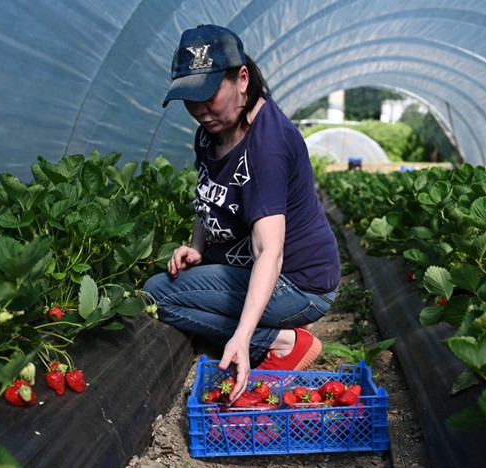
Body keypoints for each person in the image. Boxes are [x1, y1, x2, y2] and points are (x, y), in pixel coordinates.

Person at [145, 24, 340, 401]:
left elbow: (271, 251)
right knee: (168, 291)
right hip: (249, 269)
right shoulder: (211, 131)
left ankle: (282, 342)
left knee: (159, 295)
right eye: (190, 99)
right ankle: (271, 336)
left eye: (208, 95)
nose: (200, 110)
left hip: (299, 283)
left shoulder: (266, 145)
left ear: (242, 79)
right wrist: (197, 246)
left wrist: (244, 336)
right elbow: (209, 196)